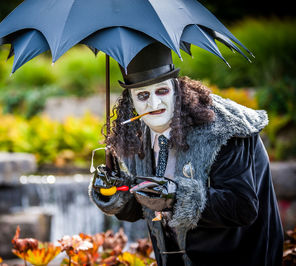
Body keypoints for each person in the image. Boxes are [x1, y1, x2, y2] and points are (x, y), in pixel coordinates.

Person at [89, 42, 284, 266]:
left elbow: (242, 207)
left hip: (239, 256)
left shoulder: (223, 131)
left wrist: (176, 197)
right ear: (130, 101)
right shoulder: (136, 135)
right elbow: (143, 207)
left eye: (161, 91)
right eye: (142, 95)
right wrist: (115, 192)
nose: (153, 103)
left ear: (177, 89)